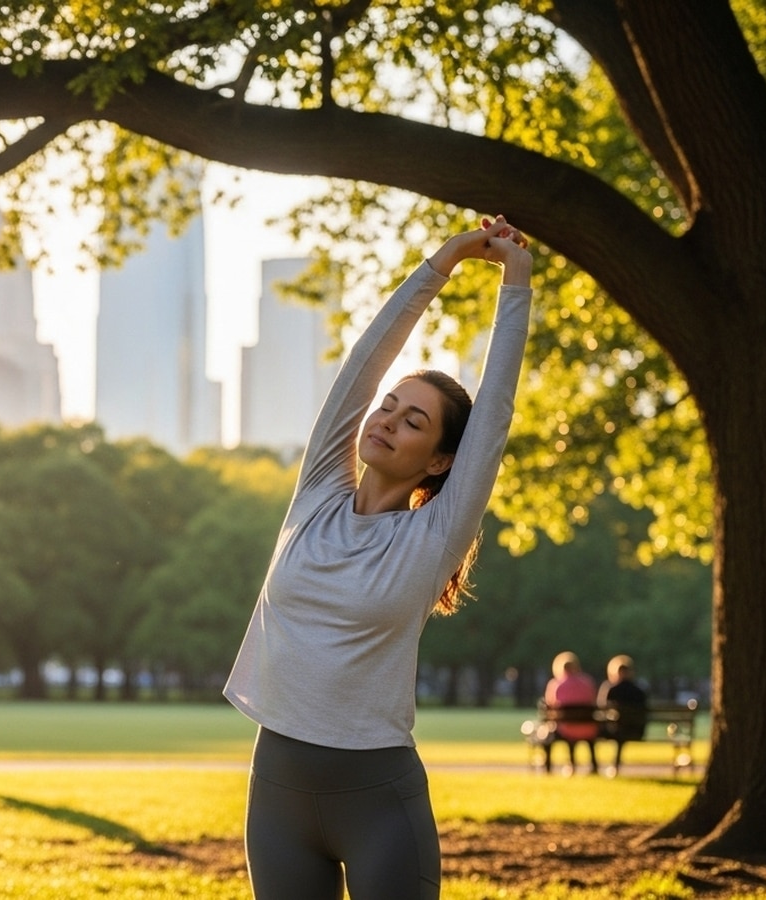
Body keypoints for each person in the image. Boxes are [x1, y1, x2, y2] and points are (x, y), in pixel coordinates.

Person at [223, 216, 533, 899]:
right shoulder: (315, 496)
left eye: (414, 421)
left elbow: (497, 412)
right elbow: (363, 368)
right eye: (390, 408)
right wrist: (442, 262)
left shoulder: (432, 538)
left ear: (442, 458)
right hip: (276, 787)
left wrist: (516, 283)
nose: (387, 420)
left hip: (377, 800)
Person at [543, 651, 600, 776]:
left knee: (548, 733)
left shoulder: (556, 685)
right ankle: (594, 766)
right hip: (588, 728)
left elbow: (550, 706)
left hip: (566, 728)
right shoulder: (587, 682)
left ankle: (549, 769)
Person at [596, 654, 649, 776]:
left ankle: (597, 766)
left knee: (611, 728)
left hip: (616, 730)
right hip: (637, 730)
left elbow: (602, 709)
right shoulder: (639, 691)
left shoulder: (612, 689)